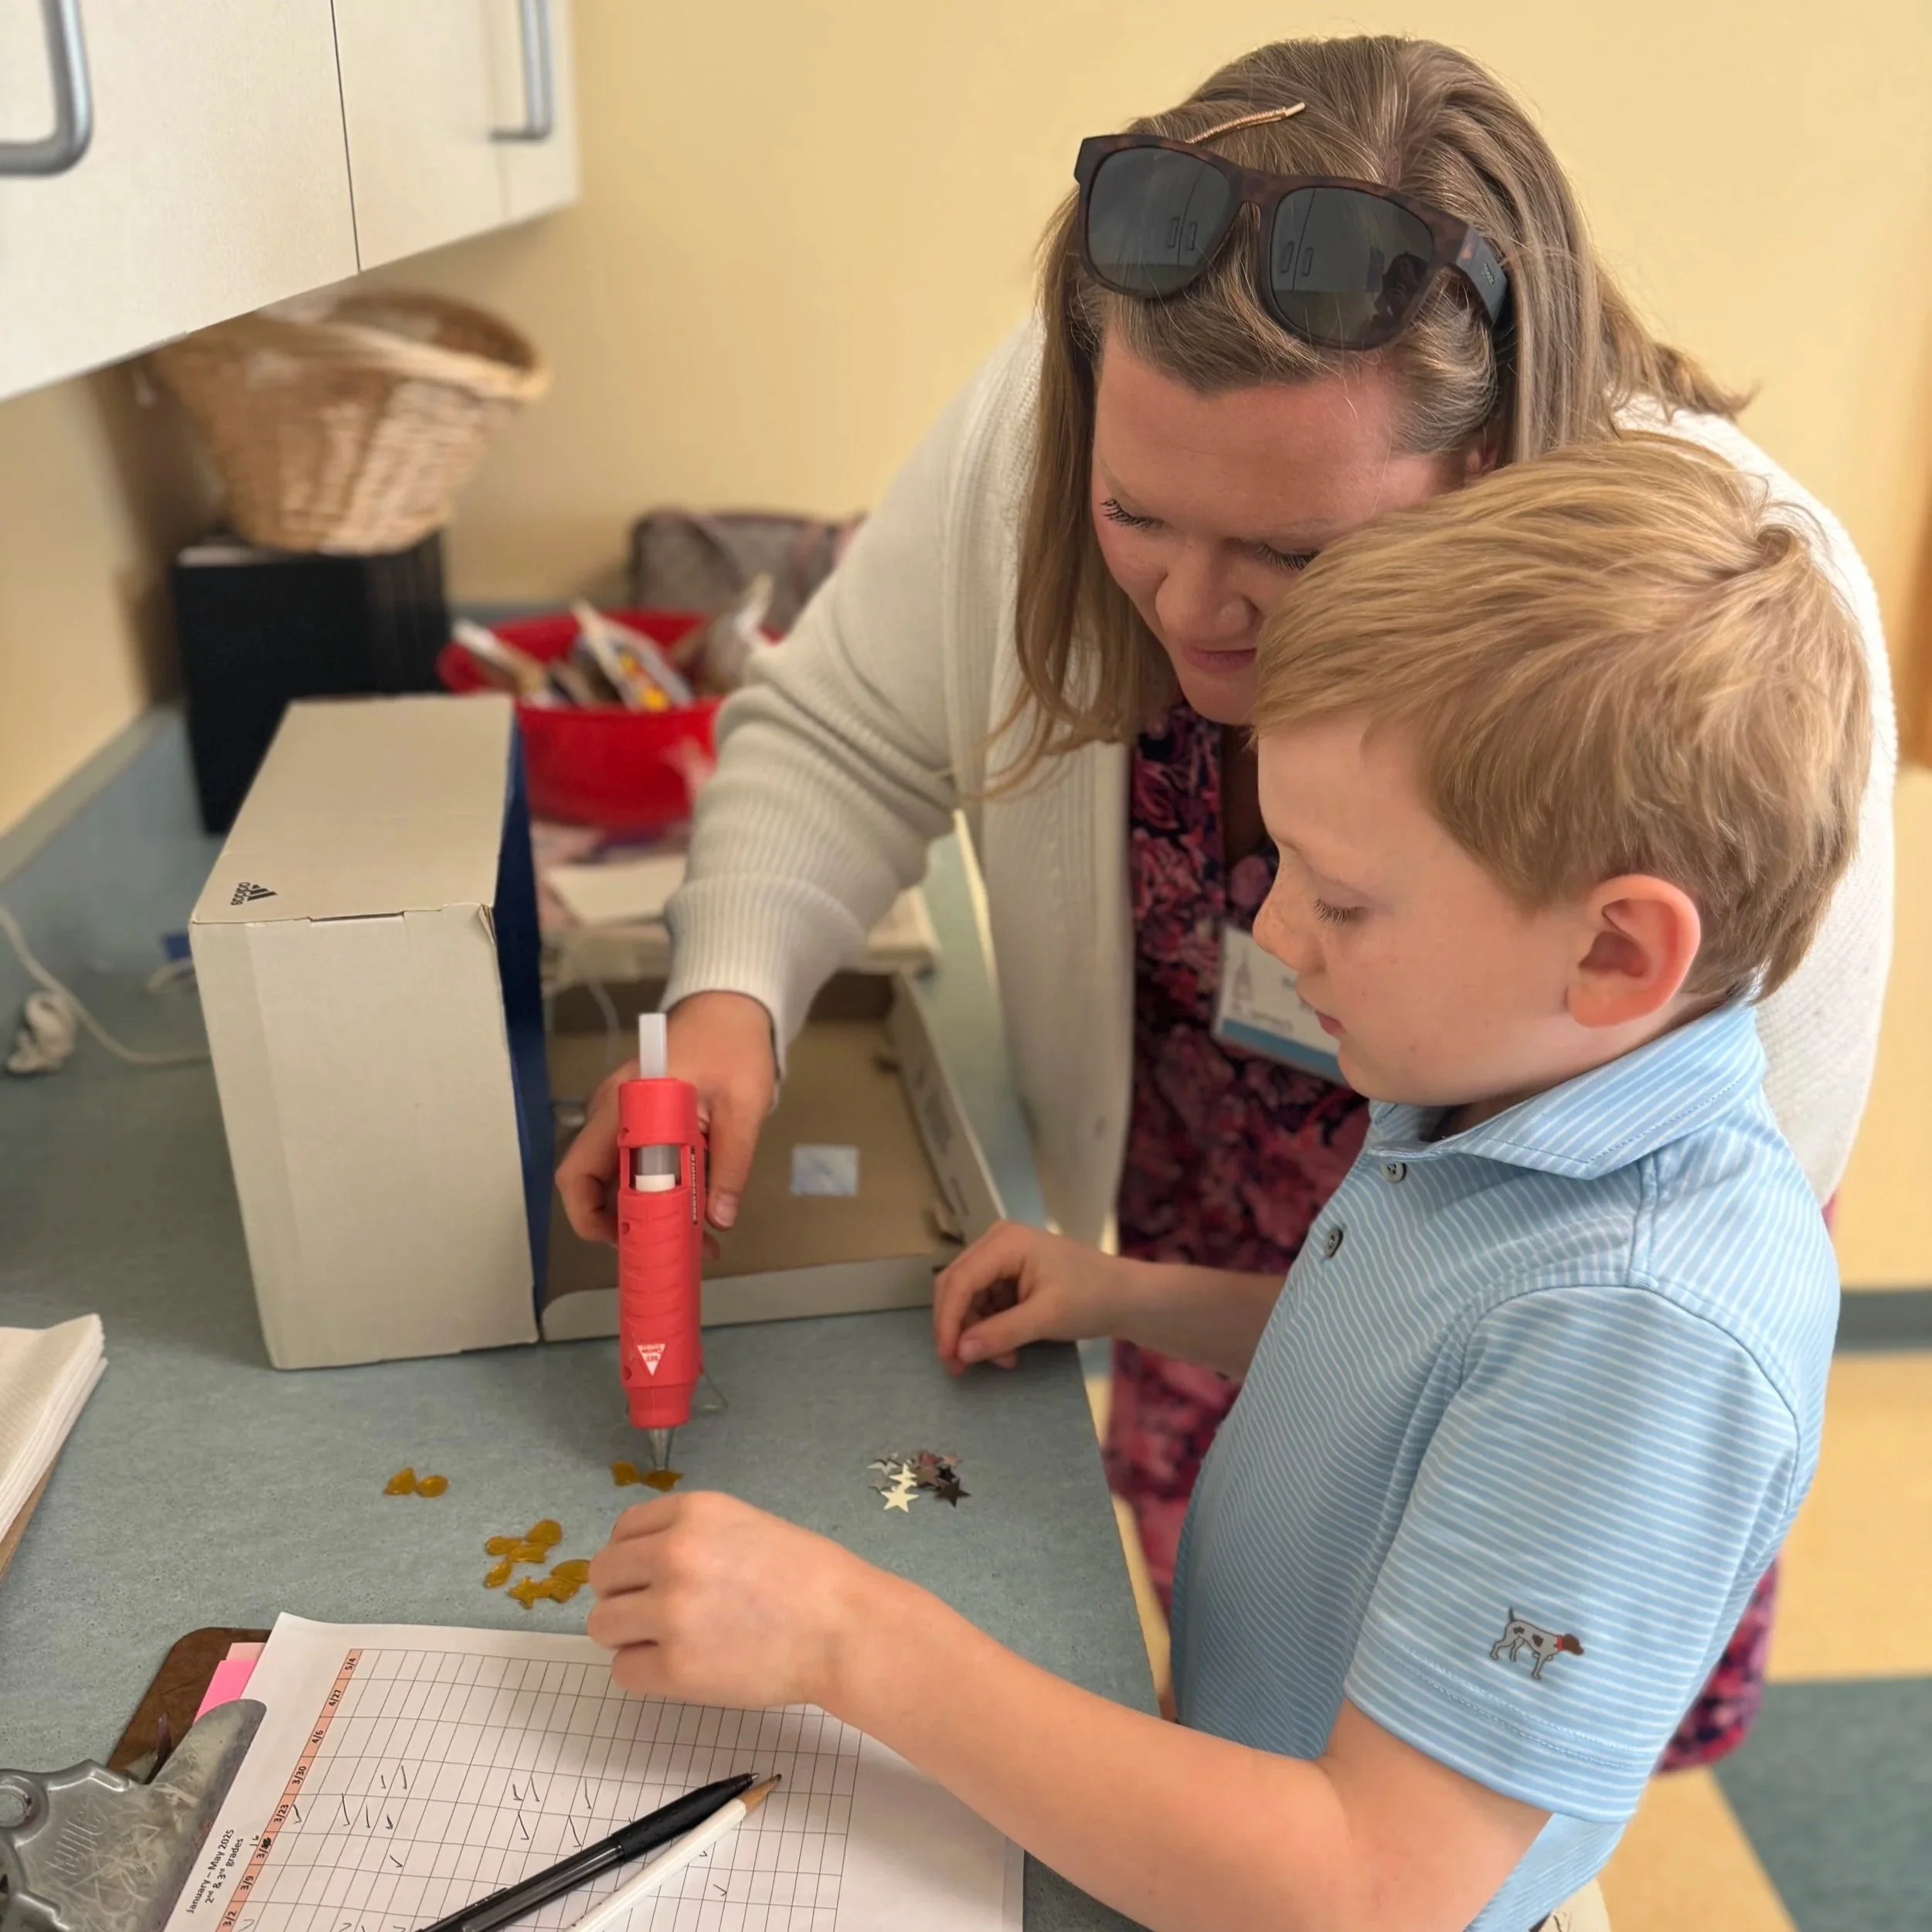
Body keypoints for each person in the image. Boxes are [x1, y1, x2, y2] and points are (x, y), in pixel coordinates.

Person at [557, 35, 1896, 1764]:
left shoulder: (1720, 639)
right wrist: (738, 1001)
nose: (1192, 609)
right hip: (1277, 1273)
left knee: (1423, 1758)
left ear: (1487, 483)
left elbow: (1608, 1320)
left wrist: (855, 1642)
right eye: (1134, 515)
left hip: (1534, 1392)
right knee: (1234, 1714)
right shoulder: (1075, 418)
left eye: (1296, 559)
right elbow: (845, 726)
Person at [585, 434, 1871, 1932]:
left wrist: (845, 1638)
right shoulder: (1518, 1090)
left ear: (1609, 952)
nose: (1271, 925)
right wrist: (1132, 1295)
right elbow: (1414, 1360)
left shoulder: (1641, 1333)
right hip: (1239, 1788)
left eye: (1335, 896)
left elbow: (1368, 1881)